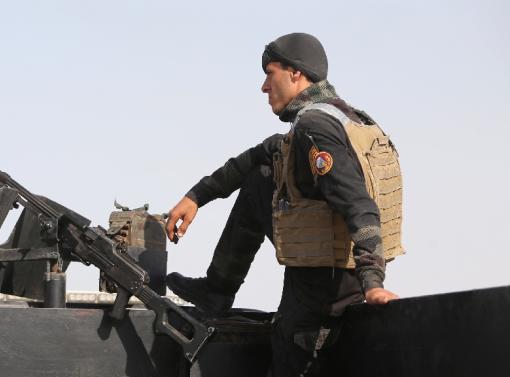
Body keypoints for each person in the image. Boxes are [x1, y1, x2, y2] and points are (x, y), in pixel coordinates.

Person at [165, 32, 403, 375]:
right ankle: (218, 289)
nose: (264, 86)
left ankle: (220, 291)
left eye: (270, 73)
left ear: (296, 74)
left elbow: (359, 205)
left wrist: (373, 283)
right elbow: (257, 158)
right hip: (325, 273)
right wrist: (196, 196)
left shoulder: (315, 127)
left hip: (324, 289)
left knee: (290, 354)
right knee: (261, 179)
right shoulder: (339, 117)